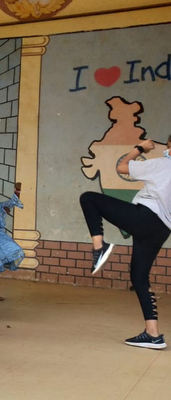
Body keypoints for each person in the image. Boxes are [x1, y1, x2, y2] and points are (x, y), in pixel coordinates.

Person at [80, 139, 171, 350]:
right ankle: (153, 334)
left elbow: (121, 167)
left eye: (168, 146)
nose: (166, 150)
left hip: (146, 217)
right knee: (139, 278)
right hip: (161, 230)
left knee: (89, 199)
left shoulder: (162, 164)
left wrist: (139, 149)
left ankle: (99, 247)